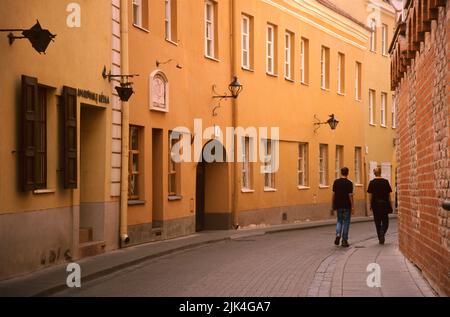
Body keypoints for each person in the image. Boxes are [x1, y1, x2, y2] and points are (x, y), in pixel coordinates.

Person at [367, 167, 393, 245]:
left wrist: (370, 204)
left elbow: (370, 195)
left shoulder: (372, 183)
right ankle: (382, 232)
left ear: (374, 173)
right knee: (385, 221)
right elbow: (389, 195)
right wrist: (390, 204)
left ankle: (380, 237)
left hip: (375, 204)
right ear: (380, 172)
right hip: (384, 204)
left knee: (377, 222)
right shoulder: (385, 182)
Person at [332, 167, 354, 247]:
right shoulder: (349, 183)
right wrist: (352, 207)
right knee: (346, 222)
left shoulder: (336, 182)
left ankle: (338, 234)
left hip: (338, 205)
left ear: (341, 173)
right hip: (347, 205)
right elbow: (350, 196)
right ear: (347, 173)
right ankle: (344, 240)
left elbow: (333, 194)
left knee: (339, 221)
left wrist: (332, 204)